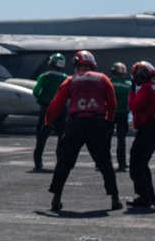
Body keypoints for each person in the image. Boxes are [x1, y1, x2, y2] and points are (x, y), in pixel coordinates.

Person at [45, 50, 119, 212]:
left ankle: (56, 199)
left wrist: (48, 121)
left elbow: (56, 103)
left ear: (76, 64)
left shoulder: (70, 80)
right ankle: (115, 199)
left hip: (75, 123)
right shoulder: (103, 79)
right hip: (97, 123)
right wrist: (109, 119)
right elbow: (112, 103)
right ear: (93, 64)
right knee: (105, 162)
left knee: (65, 162)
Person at [125, 61, 155, 207]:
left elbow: (134, 107)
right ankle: (150, 195)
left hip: (148, 129)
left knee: (136, 163)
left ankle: (144, 197)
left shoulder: (147, 88)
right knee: (142, 163)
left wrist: (132, 91)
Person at [32, 53, 68, 170]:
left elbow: (36, 92)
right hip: (61, 110)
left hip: (46, 108)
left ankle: (38, 162)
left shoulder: (44, 76)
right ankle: (60, 161)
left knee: (41, 137)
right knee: (61, 136)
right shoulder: (66, 78)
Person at [109, 62, 132, 171]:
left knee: (106, 139)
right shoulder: (128, 86)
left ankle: (102, 162)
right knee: (121, 139)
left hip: (109, 113)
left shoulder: (108, 83)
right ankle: (122, 163)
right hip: (123, 113)